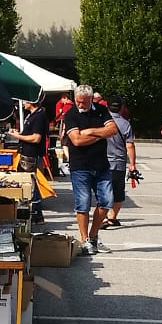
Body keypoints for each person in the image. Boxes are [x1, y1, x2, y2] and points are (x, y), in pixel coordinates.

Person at [62, 82, 117, 254]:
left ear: (91, 99)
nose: (80, 104)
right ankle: (85, 239)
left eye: (84, 102)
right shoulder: (70, 115)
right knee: (83, 203)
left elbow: (113, 129)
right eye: (78, 101)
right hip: (80, 166)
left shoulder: (101, 110)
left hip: (101, 165)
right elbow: (77, 140)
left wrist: (90, 131)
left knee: (107, 201)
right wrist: (101, 134)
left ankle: (93, 236)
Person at [106, 99, 134, 227]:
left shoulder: (102, 122)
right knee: (118, 192)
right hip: (118, 162)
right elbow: (130, 145)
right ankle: (112, 218)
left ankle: (102, 216)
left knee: (103, 190)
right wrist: (132, 164)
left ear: (107, 107)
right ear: (121, 108)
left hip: (103, 161)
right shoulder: (125, 124)